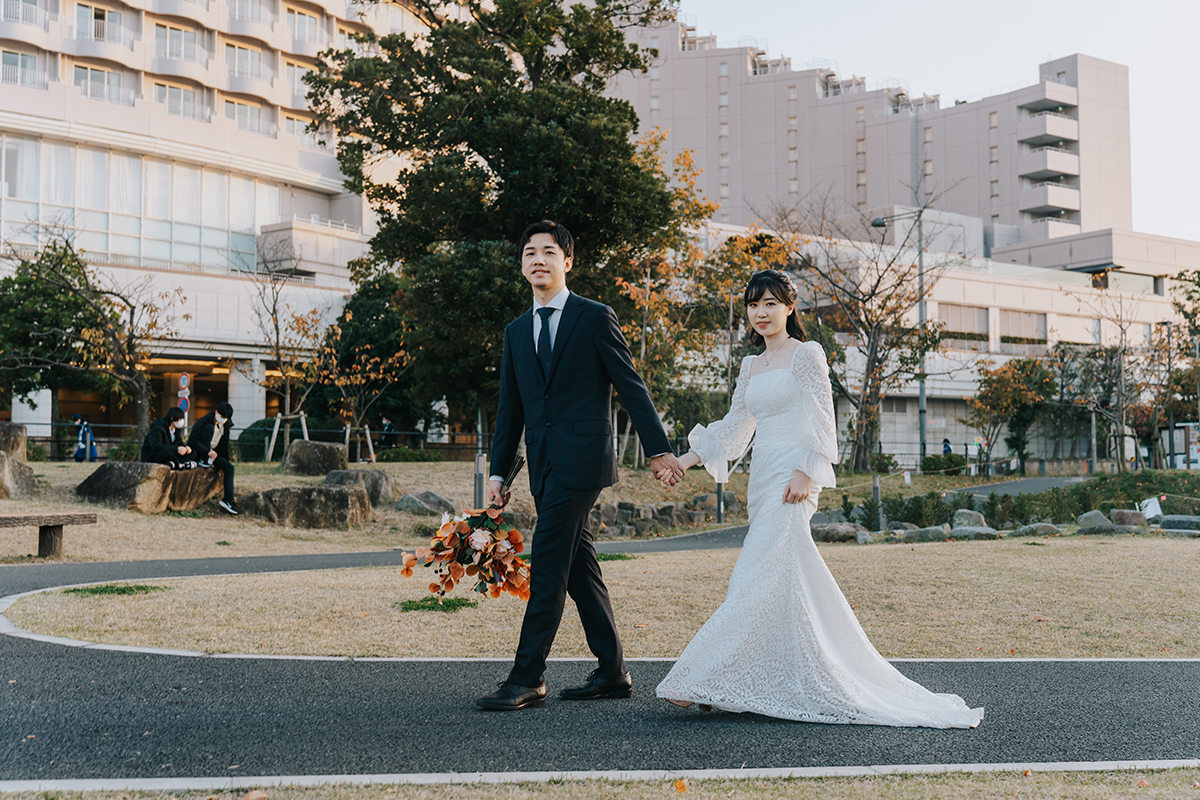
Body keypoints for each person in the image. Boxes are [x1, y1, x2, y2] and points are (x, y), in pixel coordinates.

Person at [654, 269, 983, 729]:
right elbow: (733, 428)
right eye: (753, 305)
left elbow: (824, 419)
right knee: (780, 576)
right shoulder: (751, 366)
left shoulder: (806, 354)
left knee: (754, 572)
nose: (761, 313)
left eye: (770, 303)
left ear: (790, 307)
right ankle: (750, 679)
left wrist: (808, 471)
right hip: (763, 478)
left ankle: (700, 679)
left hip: (795, 476)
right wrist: (684, 461)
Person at [479, 220, 683, 712]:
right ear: (522, 264)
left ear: (567, 262)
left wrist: (658, 449)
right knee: (579, 570)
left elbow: (629, 384)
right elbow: (511, 410)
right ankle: (612, 671)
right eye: (530, 253)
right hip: (544, 467)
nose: (538, 260)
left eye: (549, 252)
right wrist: (498, 474)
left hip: (583, 463)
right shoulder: (515, 332)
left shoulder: (594, 317)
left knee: (547, 567)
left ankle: (527, 677)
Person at [188, 402, 238, 515]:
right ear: (216, 412)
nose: (223, 419)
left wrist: (224, 460)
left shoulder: (226, 424)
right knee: (209, 428)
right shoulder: (203, 421)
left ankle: (228, 500)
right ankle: (204, 460)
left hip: (215, 455)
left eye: (225, 418)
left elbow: (224, 444)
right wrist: (206, 451)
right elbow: (192, 441)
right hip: (202, 453)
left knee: (230, 468)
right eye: (222, 416)